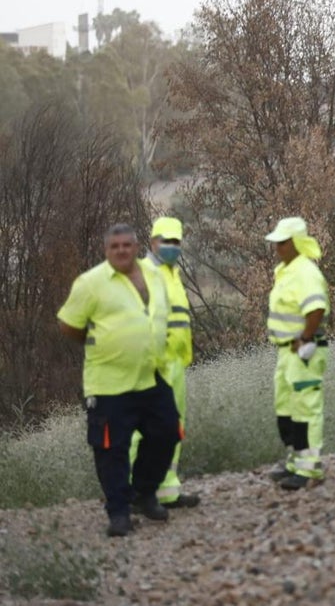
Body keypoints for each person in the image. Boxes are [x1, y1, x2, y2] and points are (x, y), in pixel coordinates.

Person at [57, 223, 181, 537]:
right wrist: (103, 341)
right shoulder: (90, 283)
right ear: (106, 250)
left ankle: (144, 492)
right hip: (109, 383)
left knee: (167, 431)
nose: (122, 250)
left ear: (137, 246)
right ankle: (119, 513)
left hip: (149, 376)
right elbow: (69, 325)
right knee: (112, 449)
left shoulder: (153, 275)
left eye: (127, 245)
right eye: (115, 247)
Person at [128, 217, 200, 509]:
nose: (170, 247)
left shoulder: (173, 274)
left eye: (175, 242)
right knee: (143, 429)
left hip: (175, 364)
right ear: (152, 242)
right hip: (152, 364)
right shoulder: (143, 273)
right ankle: (137, 492)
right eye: (165, 241)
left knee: (174, 427)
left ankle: (166, 489)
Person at [264, 217, 330, 490]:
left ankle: (308, 469)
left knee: (305, 408)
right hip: (286, 352)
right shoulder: (286, 270)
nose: (277, 247)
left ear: (296, 243)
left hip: (302, 351)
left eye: (283, 242)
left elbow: (315, 308)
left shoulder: (305, 272)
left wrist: (304, 338)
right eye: (277, 242)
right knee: (287, 409)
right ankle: (295, 462)